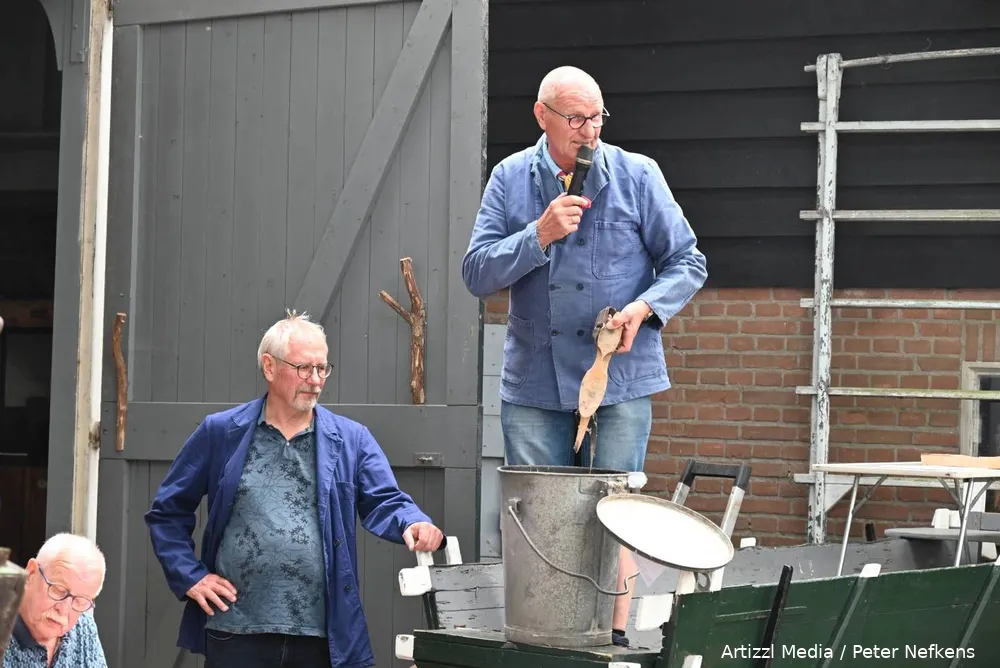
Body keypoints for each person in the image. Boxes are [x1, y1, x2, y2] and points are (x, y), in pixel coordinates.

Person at [461, 66, 707, 645]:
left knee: (618, 513)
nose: (590, 131)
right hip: (535, 384)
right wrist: (538, 235)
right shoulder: (509, 178)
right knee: (539, 518)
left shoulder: (638, 174)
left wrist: (644, 309)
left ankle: (612, 642)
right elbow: (476, 273)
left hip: (618, 379)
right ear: (542, 116)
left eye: (597, 117)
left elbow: (687, 262)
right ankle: (544, 639)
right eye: (576, 119)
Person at [144, 311, 445, 668]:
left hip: (322, 636)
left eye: (322, 368)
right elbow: (167, 513)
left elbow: (385, 500)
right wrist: (190, 576)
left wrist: (413, 521)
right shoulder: (221, 432)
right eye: (303, 368)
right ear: (269, 367)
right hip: (236, 630)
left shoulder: (351, 439)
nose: (315, 380)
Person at [3, 533, 108, 668]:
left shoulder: (84, 627)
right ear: (31, 573)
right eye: (59, 590)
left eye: (80, 601)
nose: (64, 609)